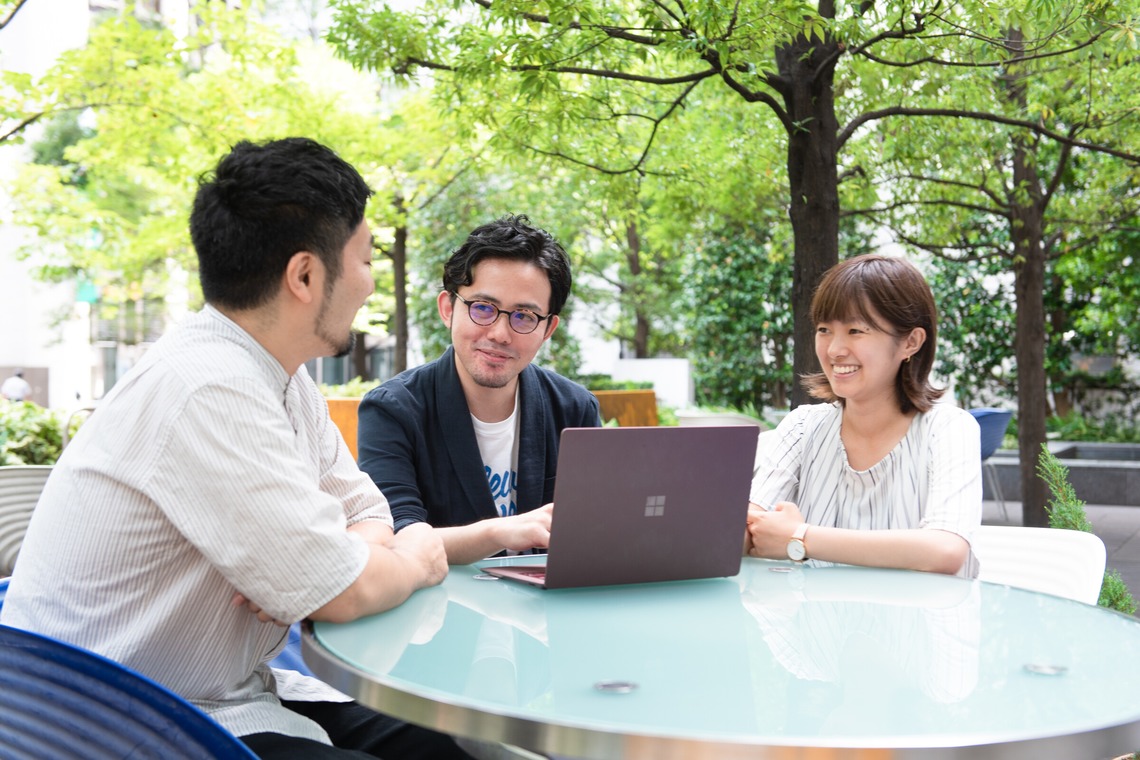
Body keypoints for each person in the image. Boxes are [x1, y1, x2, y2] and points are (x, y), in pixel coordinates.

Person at [0, 137, 472, 759]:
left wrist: (332, 563)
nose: (368, 281)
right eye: (364, 257)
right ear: (304, 275)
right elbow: (345, 592)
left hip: (223, 691)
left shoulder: (278, 374)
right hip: (120, 722)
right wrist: (416, 555)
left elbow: (365, 516)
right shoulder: (207, 387)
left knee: (441, 742)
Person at [357, 214, 600, 565]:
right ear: (448, 309)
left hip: (544, 614)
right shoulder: (392, 410)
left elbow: (592, 529)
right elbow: (394, 537)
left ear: (547, 330)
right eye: (483, 308)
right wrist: (499, 531)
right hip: (436, 611)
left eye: (524, 316)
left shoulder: (574, 408)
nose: (500, 333)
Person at [744, 254, 981, 577]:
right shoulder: (803, 426)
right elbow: (749, 527)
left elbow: (945, 551)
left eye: (856, 330)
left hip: (920, 626)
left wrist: (801, 537)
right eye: (824, 329)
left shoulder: (948, 428)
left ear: (911, 342)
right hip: (816, 626)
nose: (834, 350)